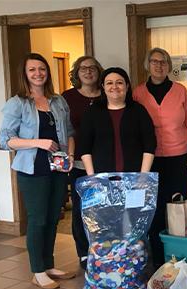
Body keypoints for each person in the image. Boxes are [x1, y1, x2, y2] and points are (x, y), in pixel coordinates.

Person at [0, 53, 76, 289]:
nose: (38, 73)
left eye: (42, 69)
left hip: (59, 168)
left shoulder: (58, 100)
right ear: (25, 74)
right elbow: (6, 140)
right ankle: (37, 270)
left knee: (53, 218)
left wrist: (71, 156)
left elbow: (70, 132)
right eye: (32, 69)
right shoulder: (18, 102)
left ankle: (49, 264)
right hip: (33, 169)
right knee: (38, 220)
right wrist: (39, 142)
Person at [133, 47, 187, 268]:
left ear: (169, 66)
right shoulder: (138, 93)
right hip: (149, 160)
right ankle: (159, 259)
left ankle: (179, 256)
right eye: (154, 61)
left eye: (163, 62)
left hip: (178, 158)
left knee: (176, 207)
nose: (158, 65)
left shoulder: (180, 91)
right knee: (153, 208)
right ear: (147, 65)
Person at [61, 56, 104, 270]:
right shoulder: (66, 98)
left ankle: (104, 248)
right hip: (77, 161)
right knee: (81, 209)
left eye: (92, 68)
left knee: (104, 208)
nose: (88, 72)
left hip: (104, 161)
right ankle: (83, 252)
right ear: (76, 73)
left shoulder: (107, 94)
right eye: (83, 69)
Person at [79, 67, 156, 175]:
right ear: (103, 87)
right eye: (109, 83)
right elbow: (84, 146)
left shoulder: (138, 110)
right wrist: (92, 176)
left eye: (119, 82)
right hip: (101, 178)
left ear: (127, 86)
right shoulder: (93, 112)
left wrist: (143, 176)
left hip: (134, 177)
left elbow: (149, 144)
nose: (114, 87)